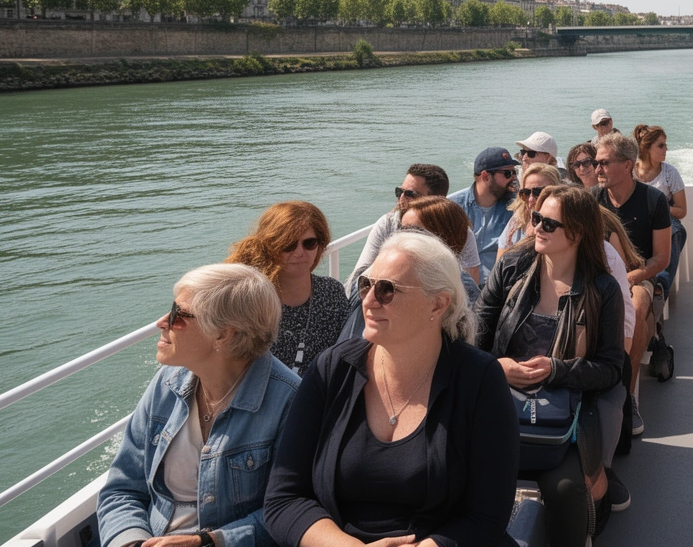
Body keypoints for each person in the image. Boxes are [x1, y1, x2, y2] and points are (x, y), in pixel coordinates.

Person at [264, 232, 518, 547]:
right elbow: (284, 498)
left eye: (387, 290)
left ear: (438, 304)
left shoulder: (479, 380)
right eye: (365, 285)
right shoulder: (332, 369)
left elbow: (488, 515)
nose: (368, 301)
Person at [98, 264, 298, 547]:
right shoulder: (166, 384)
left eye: (178, 314)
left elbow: (291, 513)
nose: (162, 321)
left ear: (223, 335)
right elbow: (123, 489)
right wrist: (130, 541)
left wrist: (207, 542)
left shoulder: (288, 400)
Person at [475, 185, 626, 545]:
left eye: (548, 223)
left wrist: (558, 370)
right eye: (537, 218)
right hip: (499, 402)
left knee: (565, 489)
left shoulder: (602, 289)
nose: (538, 227)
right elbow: (474, 342)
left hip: (565, 412)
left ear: (576, 233)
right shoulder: (511, 268)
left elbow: (610, 369)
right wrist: (499, 367)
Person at [593, 133, 671, 435]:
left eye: (604, 163)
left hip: (638, 278)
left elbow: (661, 258)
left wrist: (630, 278)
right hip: (597, 277)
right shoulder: (591, 201)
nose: (597, 168)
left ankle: (628, 392)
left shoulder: (653, 200)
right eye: (595, 163)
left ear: (627, 165)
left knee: (635, 308)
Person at [226, 202, 349, 377]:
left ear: (320, 244)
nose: (300, 252)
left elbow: (347, 351)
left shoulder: (331, 293)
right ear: (270, 246)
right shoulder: (250, 300)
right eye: (288, 245)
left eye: (309, 243)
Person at [346, 164, 482, 294]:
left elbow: (470, 284)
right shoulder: (388, 224)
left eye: (410, 194)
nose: (401, 198)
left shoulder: (458, 230)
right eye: (399, 192)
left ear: (435, 200)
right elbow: (359, 277)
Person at [448, 147, 518, 284]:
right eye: (508, 173)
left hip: (497, 289)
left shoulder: (516, 207)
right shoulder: (452, 207)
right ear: (485, 176)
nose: (514, 177)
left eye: (514, 172)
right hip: (460, 287)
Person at [632, 124, 688, 294]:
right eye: (661, 145)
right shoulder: (630, 172)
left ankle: (660, 287)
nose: (666, 149)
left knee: (675, 231)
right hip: (635, 221)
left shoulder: (670, 173)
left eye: (665, 145)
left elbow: (681, 210)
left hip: (666, 222)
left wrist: (658, 207)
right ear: (646, 147)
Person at [497, 163, 563, 258]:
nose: (531, 199)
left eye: (538, 192)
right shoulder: (517, 223)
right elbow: (500, 263)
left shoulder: (560, 227)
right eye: (526, 193)